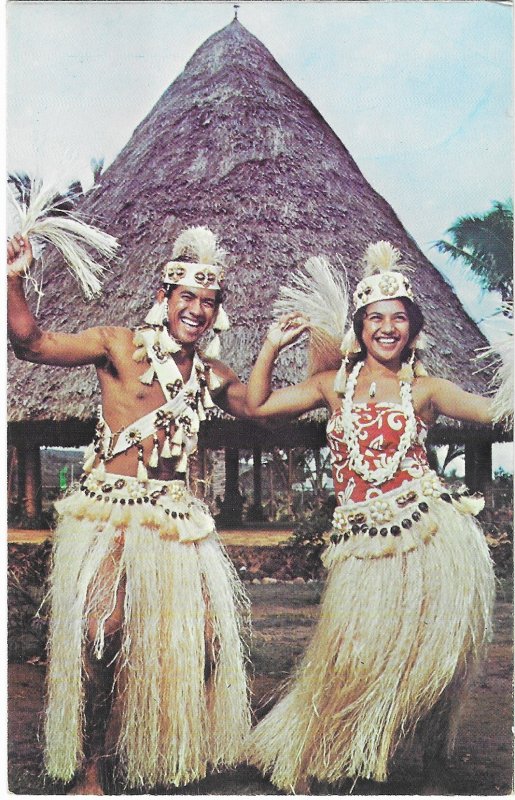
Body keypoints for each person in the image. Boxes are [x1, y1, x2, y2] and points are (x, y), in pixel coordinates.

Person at [244, 241, 499, 794]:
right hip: (361, 545)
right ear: (358, 327)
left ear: (413, 327)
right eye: (375, 319)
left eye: (398, 318)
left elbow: (491, 411)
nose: (387, 328)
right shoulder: (331, 386)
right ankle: (311, 755)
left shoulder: (427, 389)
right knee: (350, 657)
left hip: (429, 536)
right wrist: (269, 347)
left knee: (438, 660)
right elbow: (256, 406)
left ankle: (434, 773)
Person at [7, 225, 251, 794]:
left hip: (173, 517)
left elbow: (258, 405)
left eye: (208, 302)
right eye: (186, 298)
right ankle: (92, 765)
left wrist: (274, 351)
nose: (195, 310)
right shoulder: (119, 344)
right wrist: (14, 279)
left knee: (211, 644)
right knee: (103, 631)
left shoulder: (211, 375)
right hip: (110, 513)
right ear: (164, 298)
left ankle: (167, 749)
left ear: (217, 314)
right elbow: (33, 343)